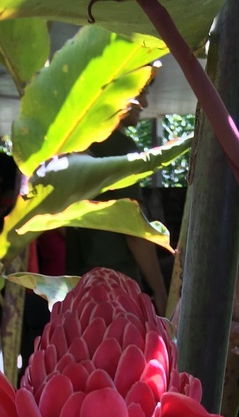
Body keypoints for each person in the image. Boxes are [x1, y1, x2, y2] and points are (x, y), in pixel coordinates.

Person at [65, 78, 168, 316]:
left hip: (79, 289)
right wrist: (160, 293)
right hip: (117, 289)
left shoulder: (75, 145)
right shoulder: (120, 148)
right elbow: (135, 233)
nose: (144, 102)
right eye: (139, 93)